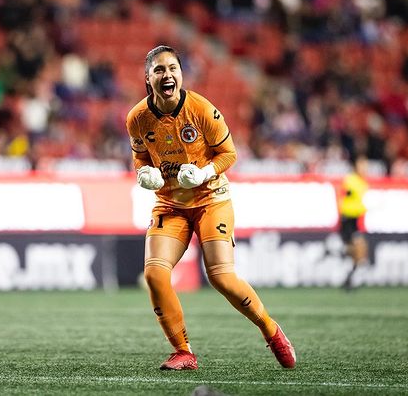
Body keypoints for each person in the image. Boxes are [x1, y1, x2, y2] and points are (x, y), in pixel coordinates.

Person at [126, 45, 296, 370]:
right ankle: (183, 352)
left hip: (211, 199)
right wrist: (144, 173)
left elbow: (229, 153)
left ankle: (270, 330)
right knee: (154, 274)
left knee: (220, 277)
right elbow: (141, 156)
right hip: (170, 203)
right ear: (148, 78)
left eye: (173, 68)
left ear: (180, 73)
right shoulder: (137, 118)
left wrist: (204, 172)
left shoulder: (202, 110)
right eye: (159, 70)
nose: (167, 74)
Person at [339, 155, 370, 291]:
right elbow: (346, 194)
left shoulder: (363, 183)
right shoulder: (351, 180)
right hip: (348, 218)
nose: (364, 168)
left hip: (355, 219)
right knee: (359, 246)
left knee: (358, 250)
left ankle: (352, 276)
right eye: (362, 165)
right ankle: (354, 274)